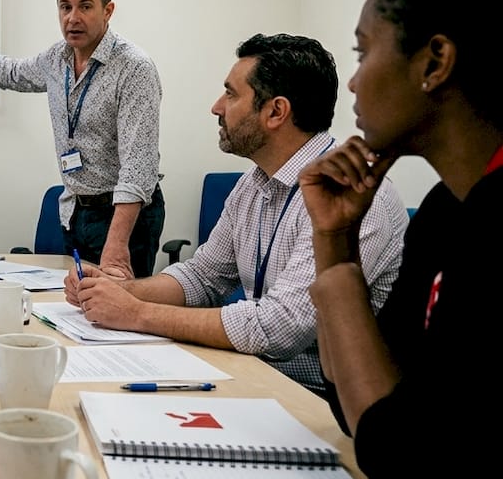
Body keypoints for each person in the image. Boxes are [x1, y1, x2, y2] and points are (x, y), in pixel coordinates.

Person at [66, 34, 407, 395]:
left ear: (276, 112)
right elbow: (203, 277)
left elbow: (280, 327)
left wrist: (135, 313)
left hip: (325, 401)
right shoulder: (253, 184)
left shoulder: (352, 196)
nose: (217, 107)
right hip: (258, 376)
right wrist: (119, 290)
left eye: (230, 94)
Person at [298, 0, 502, 479]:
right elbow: (358, 405)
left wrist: (336, 263)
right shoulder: (445, 212)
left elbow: (411, 468)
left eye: (363, 52)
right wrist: (334, 239)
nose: (354, 82)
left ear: (434, 61)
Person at [0, 0, 164, 277]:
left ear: (108, 10)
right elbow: (11, 72)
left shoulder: (134, 68)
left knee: (117, 315)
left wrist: (117, 244)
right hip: (75, 210)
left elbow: (138, 167)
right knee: (75, 308)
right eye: (65, 7)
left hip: (124, 217)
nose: (72, 18)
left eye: (85, 6)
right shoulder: (57, 59)